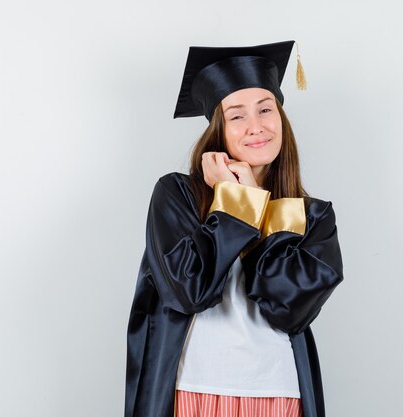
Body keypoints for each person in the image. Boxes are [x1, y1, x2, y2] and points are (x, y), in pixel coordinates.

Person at [124, 40, 344, 417]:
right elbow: (189, 292)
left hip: (279, 394)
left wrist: (255, 197)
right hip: (190, 390)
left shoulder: (313, 216)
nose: (256, 127)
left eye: (265, 109)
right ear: (218, 129)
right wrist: (232, 202)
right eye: (237, 115)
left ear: (281, 117)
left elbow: (288, 310)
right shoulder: (177, 195)